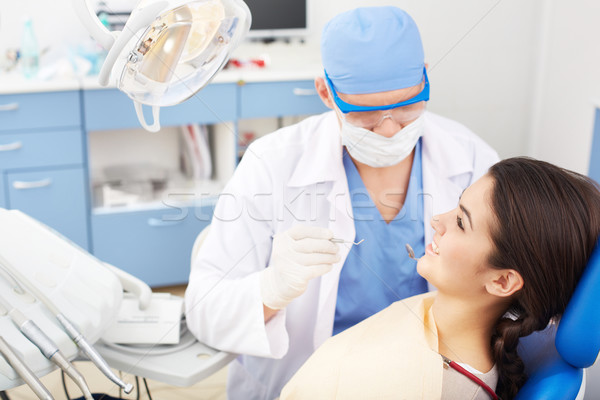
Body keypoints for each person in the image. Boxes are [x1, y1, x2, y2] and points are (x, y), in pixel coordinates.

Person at [185, 6, 498, 399]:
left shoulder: (471, 161)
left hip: (417, 377)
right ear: (325, 93)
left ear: (425, 79)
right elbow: (204, 310)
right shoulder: (272, 162)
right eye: (367, 116)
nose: (387, 130)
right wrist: (271, 290)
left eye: (405, 108)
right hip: (303, 380)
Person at [281, 157, 600, 400]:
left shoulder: (428, 386)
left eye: (461, 222)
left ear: (502, 282)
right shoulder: (434, 324)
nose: (437, 220)